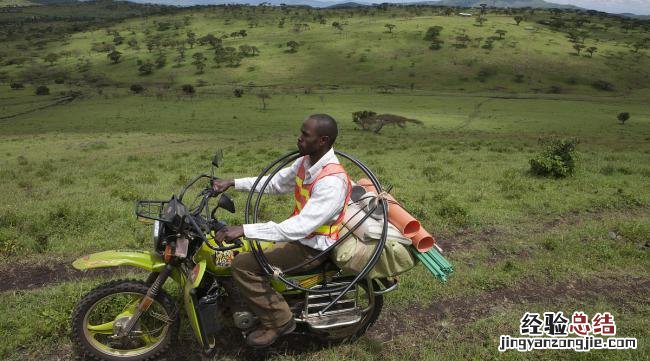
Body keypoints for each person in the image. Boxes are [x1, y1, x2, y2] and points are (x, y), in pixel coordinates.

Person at [213, 114, 351, 347]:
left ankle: (280, 321)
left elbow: (299, 227)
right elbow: (276, 183)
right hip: (302, 239)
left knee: (243, 266)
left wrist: (245, 229)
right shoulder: (306, 162)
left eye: (305, 135)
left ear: (323, 141)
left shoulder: (332, 182)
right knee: (242, 253)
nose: (299, 139)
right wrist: (233, 182)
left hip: (312, 248)